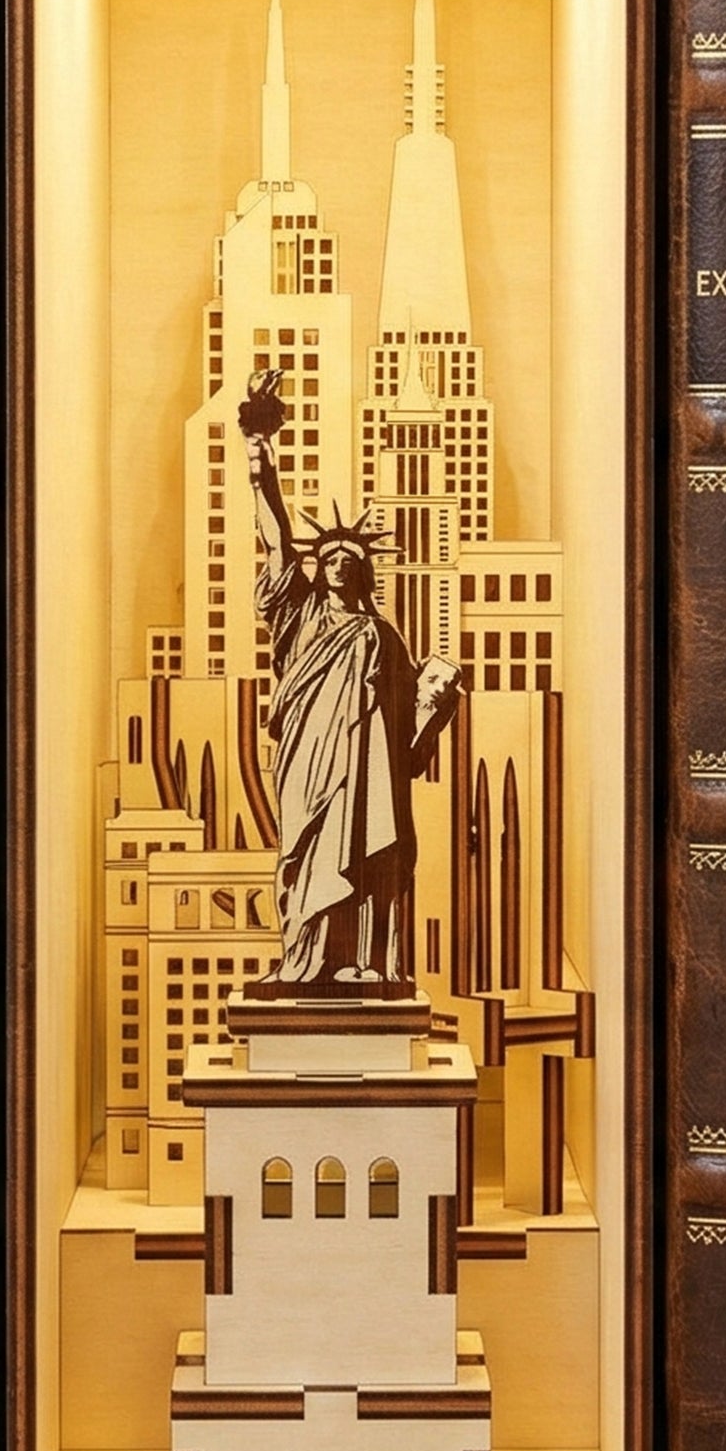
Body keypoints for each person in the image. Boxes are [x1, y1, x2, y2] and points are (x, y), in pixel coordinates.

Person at [238, 369, 459, 995]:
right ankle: (302, 962)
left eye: (349, 561)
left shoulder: (384, 637)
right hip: (309, 760)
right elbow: (276, 535)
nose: (337, 565)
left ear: (362, 573)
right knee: (306, 853)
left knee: (367, 851)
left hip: (369, 772)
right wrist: (260, 452)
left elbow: (408, 739)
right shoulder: (301, 614)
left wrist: (436, 706)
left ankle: (361, 965)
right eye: (328, 559)